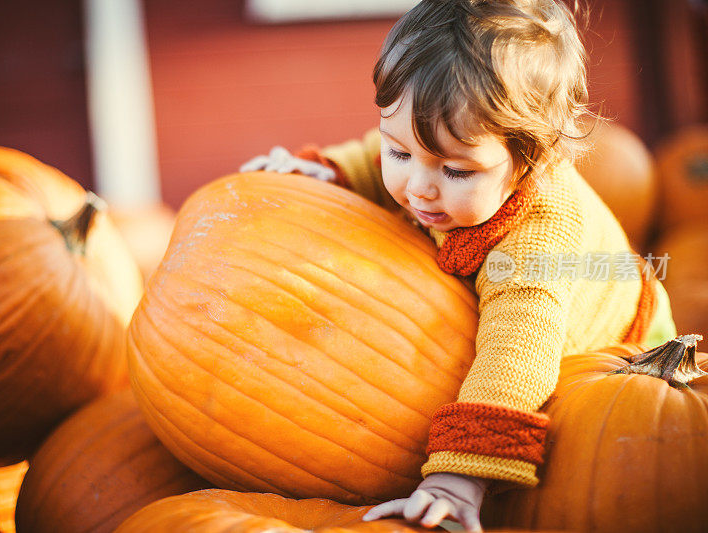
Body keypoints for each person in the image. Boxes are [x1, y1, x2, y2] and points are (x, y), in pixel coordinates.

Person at [240, 0, 677, 530]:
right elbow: (368, 157)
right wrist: (323, 172)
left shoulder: (539, 242)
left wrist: (458, 476)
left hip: (615, 347)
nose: (418, 187)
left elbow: (516, 357)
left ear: (527, 162)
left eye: (455, 169)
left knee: (574, 448)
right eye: (401, 153)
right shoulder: (434, 163)